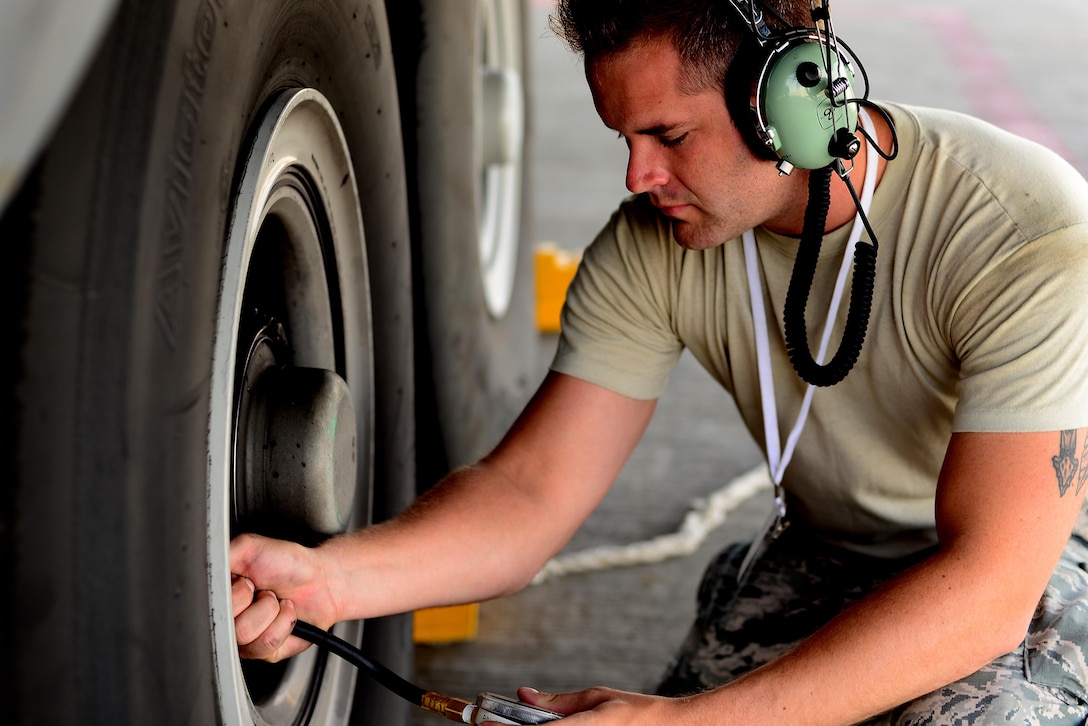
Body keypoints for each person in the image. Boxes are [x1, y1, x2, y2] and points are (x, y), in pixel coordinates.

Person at [230, 0, 1088, 722]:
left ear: (790, 98)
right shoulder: (657, 247)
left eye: (669, 134)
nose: (640, 175)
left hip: (1030, 563)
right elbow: (529, 494)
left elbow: (988, 589)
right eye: (624, 137)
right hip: (827, 552)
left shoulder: (1020, 230)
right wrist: (329, 582)